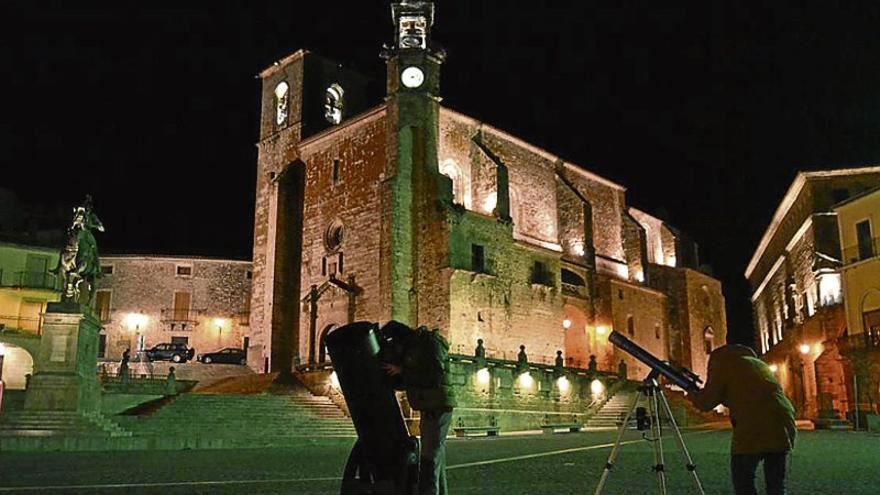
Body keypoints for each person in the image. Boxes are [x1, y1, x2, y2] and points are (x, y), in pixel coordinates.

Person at [687, 344, 796, 495]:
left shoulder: (724, 365)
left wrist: (692, 395)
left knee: (743, 478)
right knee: (776, 483)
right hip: (783, 421)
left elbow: (707, 401)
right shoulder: (756, 364)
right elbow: (745, 393)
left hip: (754, 424)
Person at [382, 324, 456, 495]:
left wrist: (403, 370)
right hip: (429, 405)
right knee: (435, 455)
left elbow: (435, 375)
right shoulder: (415, 346)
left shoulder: (428, 344)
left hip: (437, 406)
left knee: (429, 459)